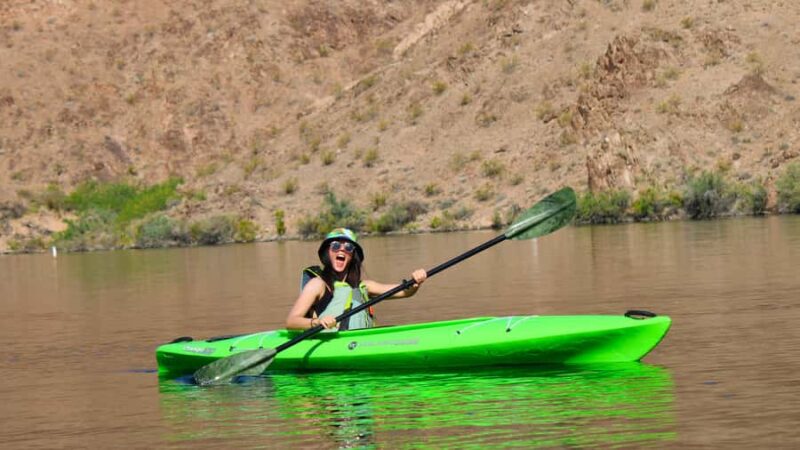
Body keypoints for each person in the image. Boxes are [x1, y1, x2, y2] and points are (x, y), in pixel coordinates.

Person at [286, 228, 427, 331]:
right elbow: (292, 321)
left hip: (362, 341)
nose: (341, 250)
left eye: (348, 247)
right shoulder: (318, 284)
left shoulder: (365, 286)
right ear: (327, 252)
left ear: (353, 256)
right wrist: (317, 322)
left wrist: (415, 282)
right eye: (335, 245)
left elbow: (404, 292)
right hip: (332, 343)